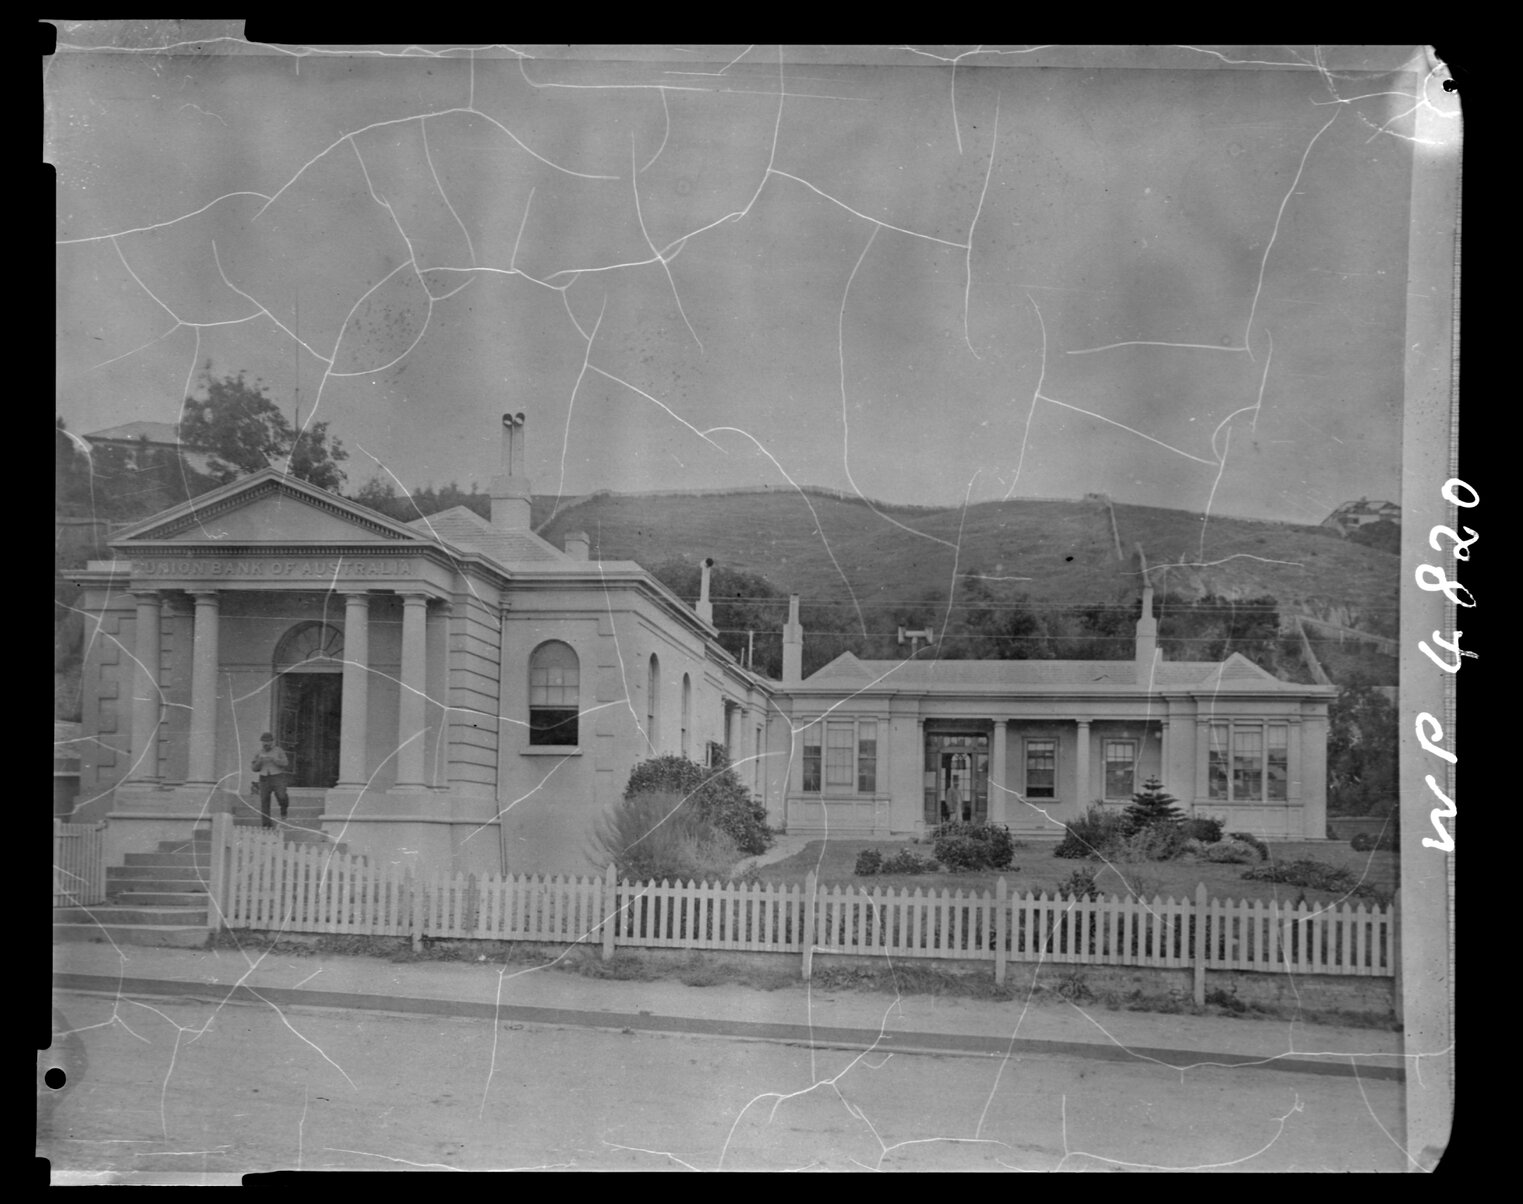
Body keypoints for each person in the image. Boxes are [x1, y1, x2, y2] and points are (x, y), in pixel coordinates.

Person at [252, 732, 291, 828]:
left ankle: (284, 809)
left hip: (278, 776)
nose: (266, 744)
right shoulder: (259, 753)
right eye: (264, 741)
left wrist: (275, 760)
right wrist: (259, 761)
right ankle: (266, 825)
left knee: (281, 796)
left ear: (272, 742)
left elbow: (285, 763)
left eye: (268, 741)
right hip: (264, 778)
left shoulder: (279, 751)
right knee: (264, 801)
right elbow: (254, 768)